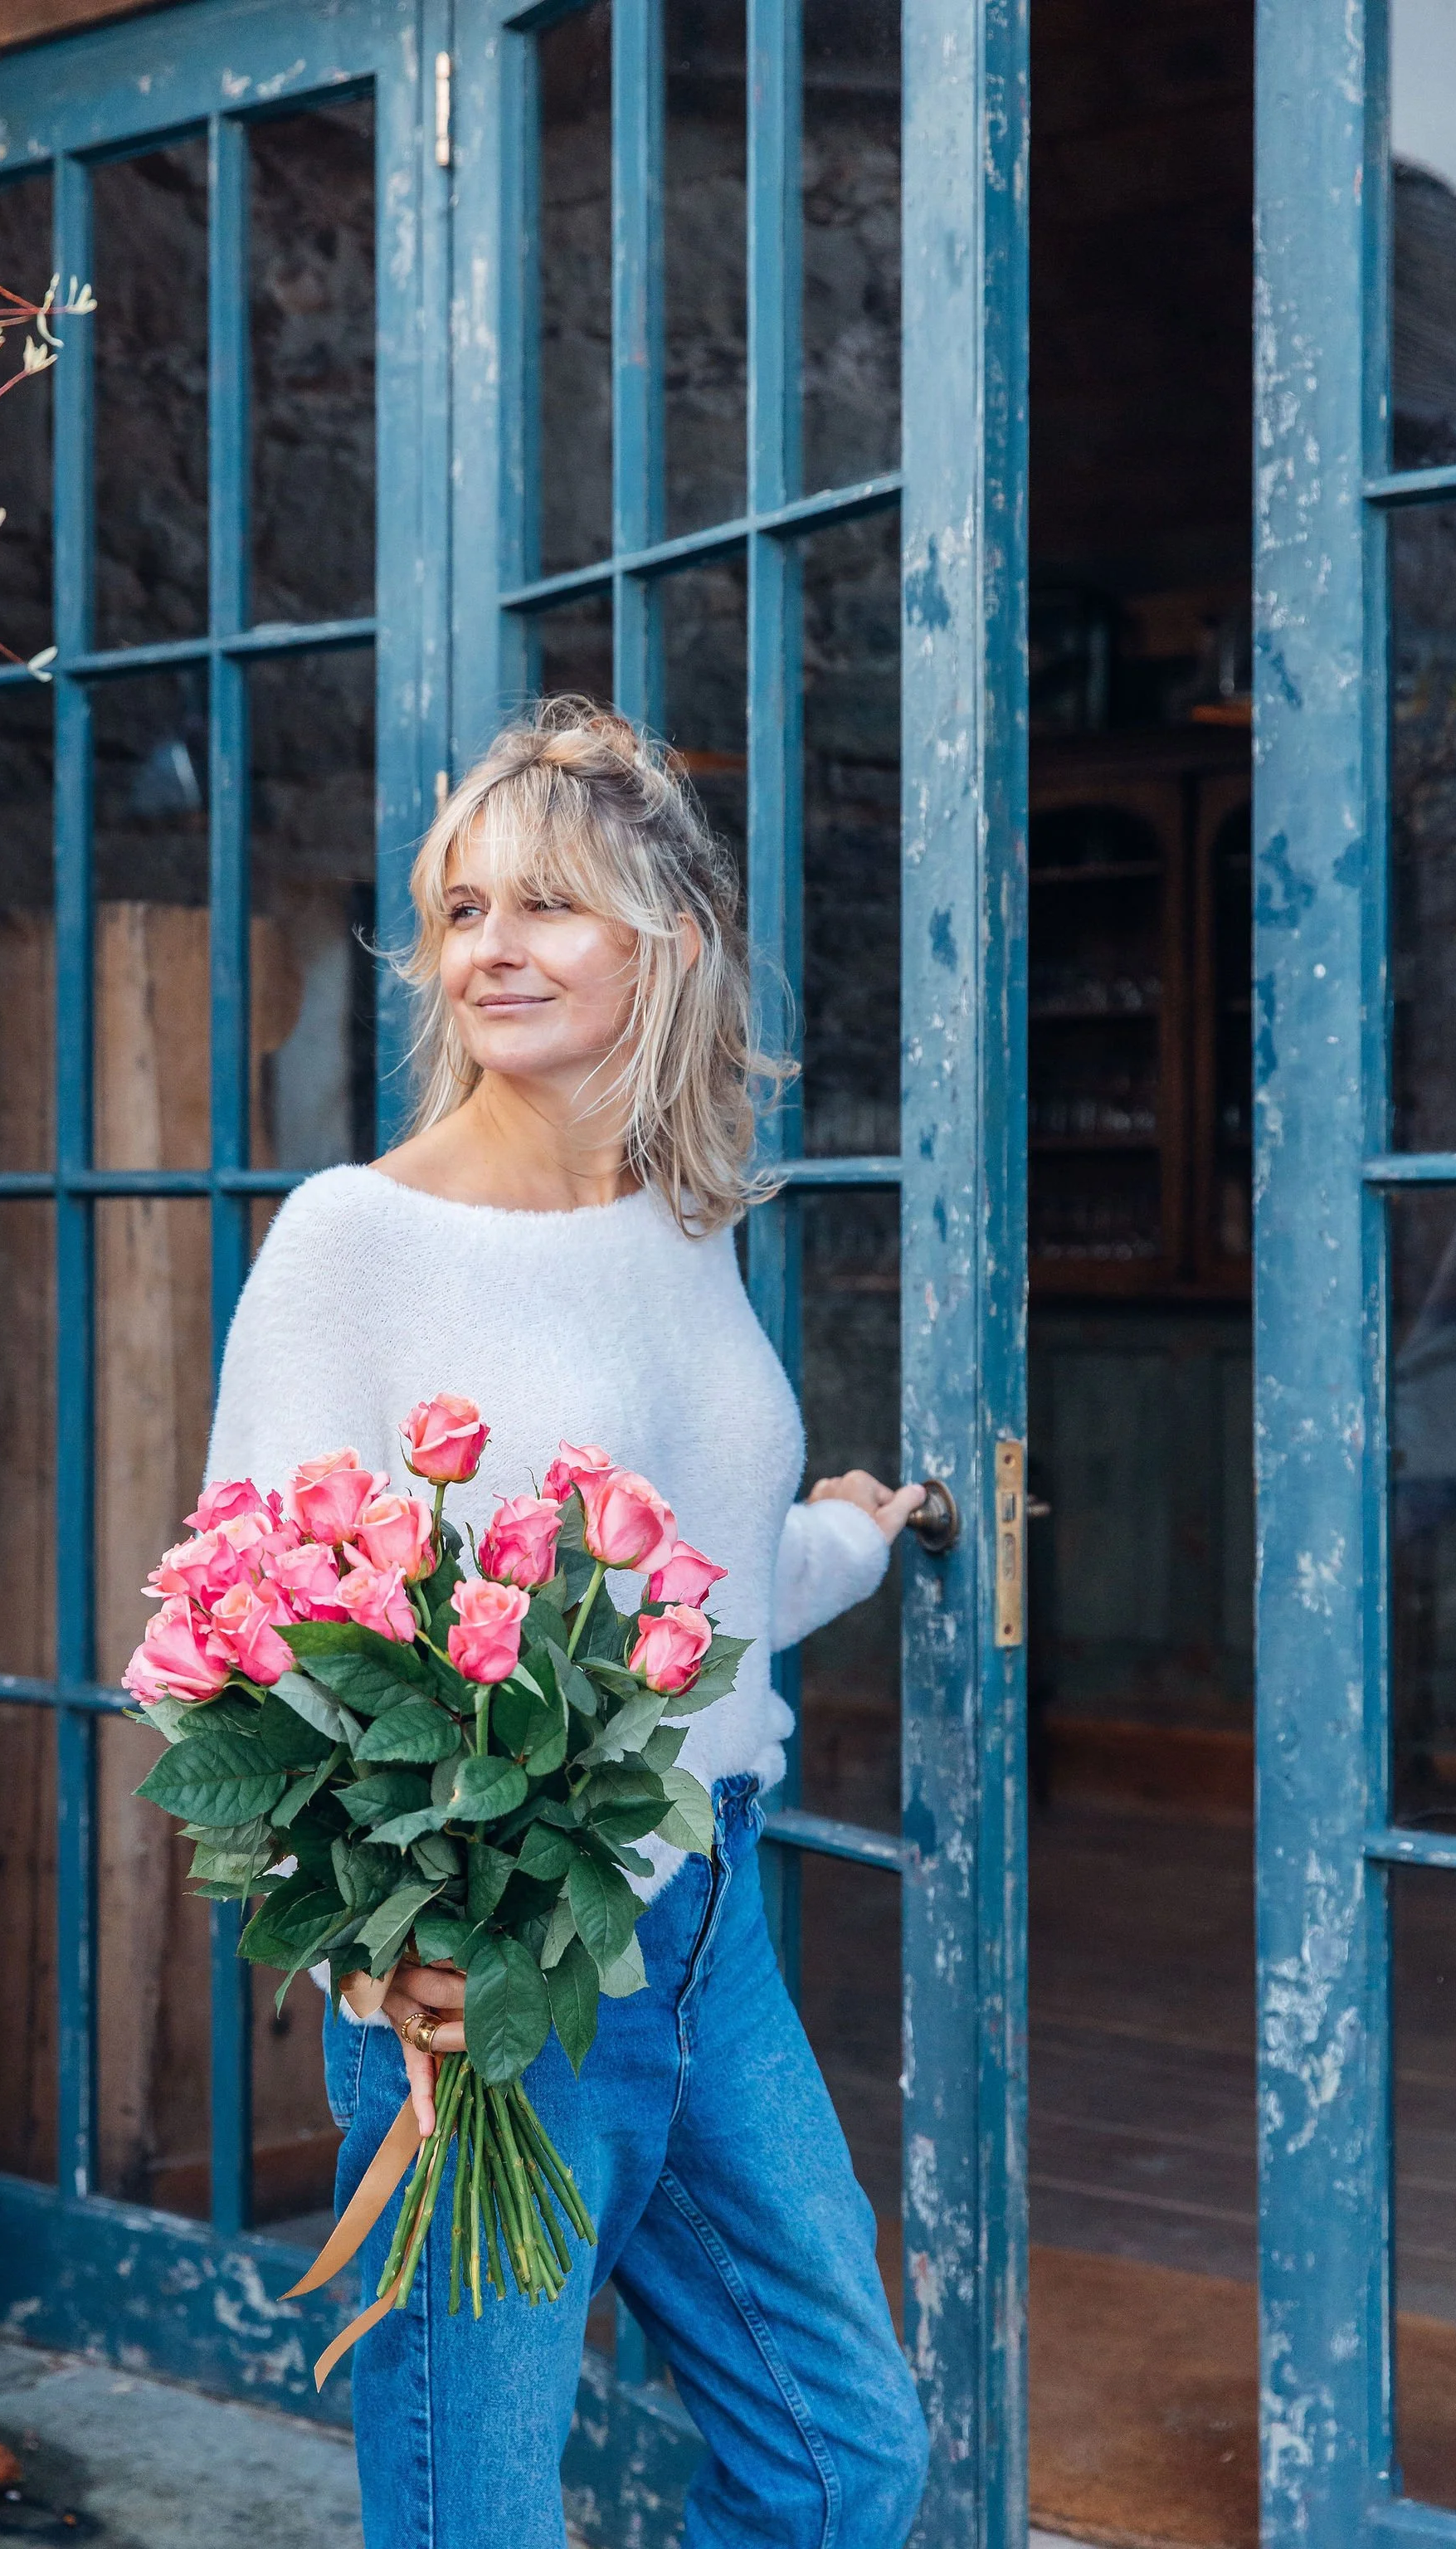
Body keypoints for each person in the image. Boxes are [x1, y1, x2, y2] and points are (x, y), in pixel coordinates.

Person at [205, 699, 933, 2548]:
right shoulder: (355, 1238)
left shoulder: (682, 1223)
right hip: (491, 1973)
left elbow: (685, 1585)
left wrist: (846, 1541)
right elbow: (248, 1629)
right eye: (463, 910)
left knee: (844, 2462)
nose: (492, 950)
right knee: (478, 2517)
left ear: (664, 944)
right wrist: (373, 1953)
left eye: (547, 905)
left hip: (704, 1934)